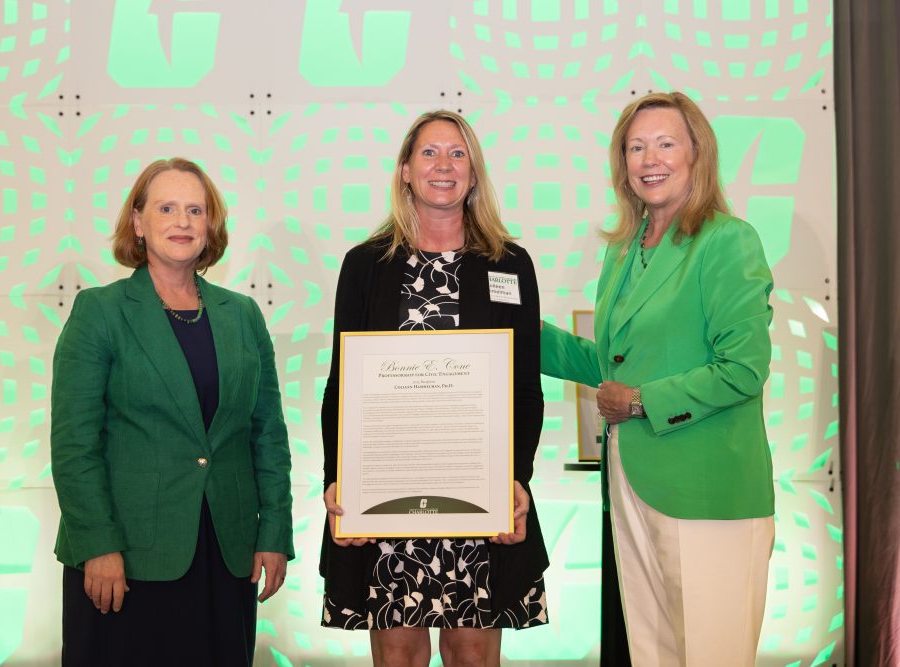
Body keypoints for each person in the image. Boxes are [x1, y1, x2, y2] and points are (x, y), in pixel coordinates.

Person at [540, 92, 775, 666]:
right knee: (654, 656)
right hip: (630, 482)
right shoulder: (624, 251)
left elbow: (744, 368)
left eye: (666, 143)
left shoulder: (727, 240)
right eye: (636, 146)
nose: (651, 158)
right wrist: (512, 324)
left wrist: (645, 402)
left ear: (698, 153)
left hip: (708, 491)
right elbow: (612, 368)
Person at [319, 110, 548, 666]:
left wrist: (516, 480)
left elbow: (523, 389)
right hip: (386, 497)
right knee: (397, 653)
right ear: (404, 170)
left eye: (457, 153)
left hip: (478, 494)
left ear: (473, 174)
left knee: (472, 651)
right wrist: (337, 483)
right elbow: (342, 385)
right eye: (428, 153)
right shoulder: (365, 265)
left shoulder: (510, 265)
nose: (442, 165)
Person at [50, 157, 293, 666]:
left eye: (195, 210)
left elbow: (267, 433)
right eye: (166, 208)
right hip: (124, 561)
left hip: (225, 557)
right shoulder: (101, 311)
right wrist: (97, 545)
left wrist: (273, 532)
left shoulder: (243, 315)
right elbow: (75, 445)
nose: (182, 222)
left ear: (211, 225)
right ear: (138, 222)